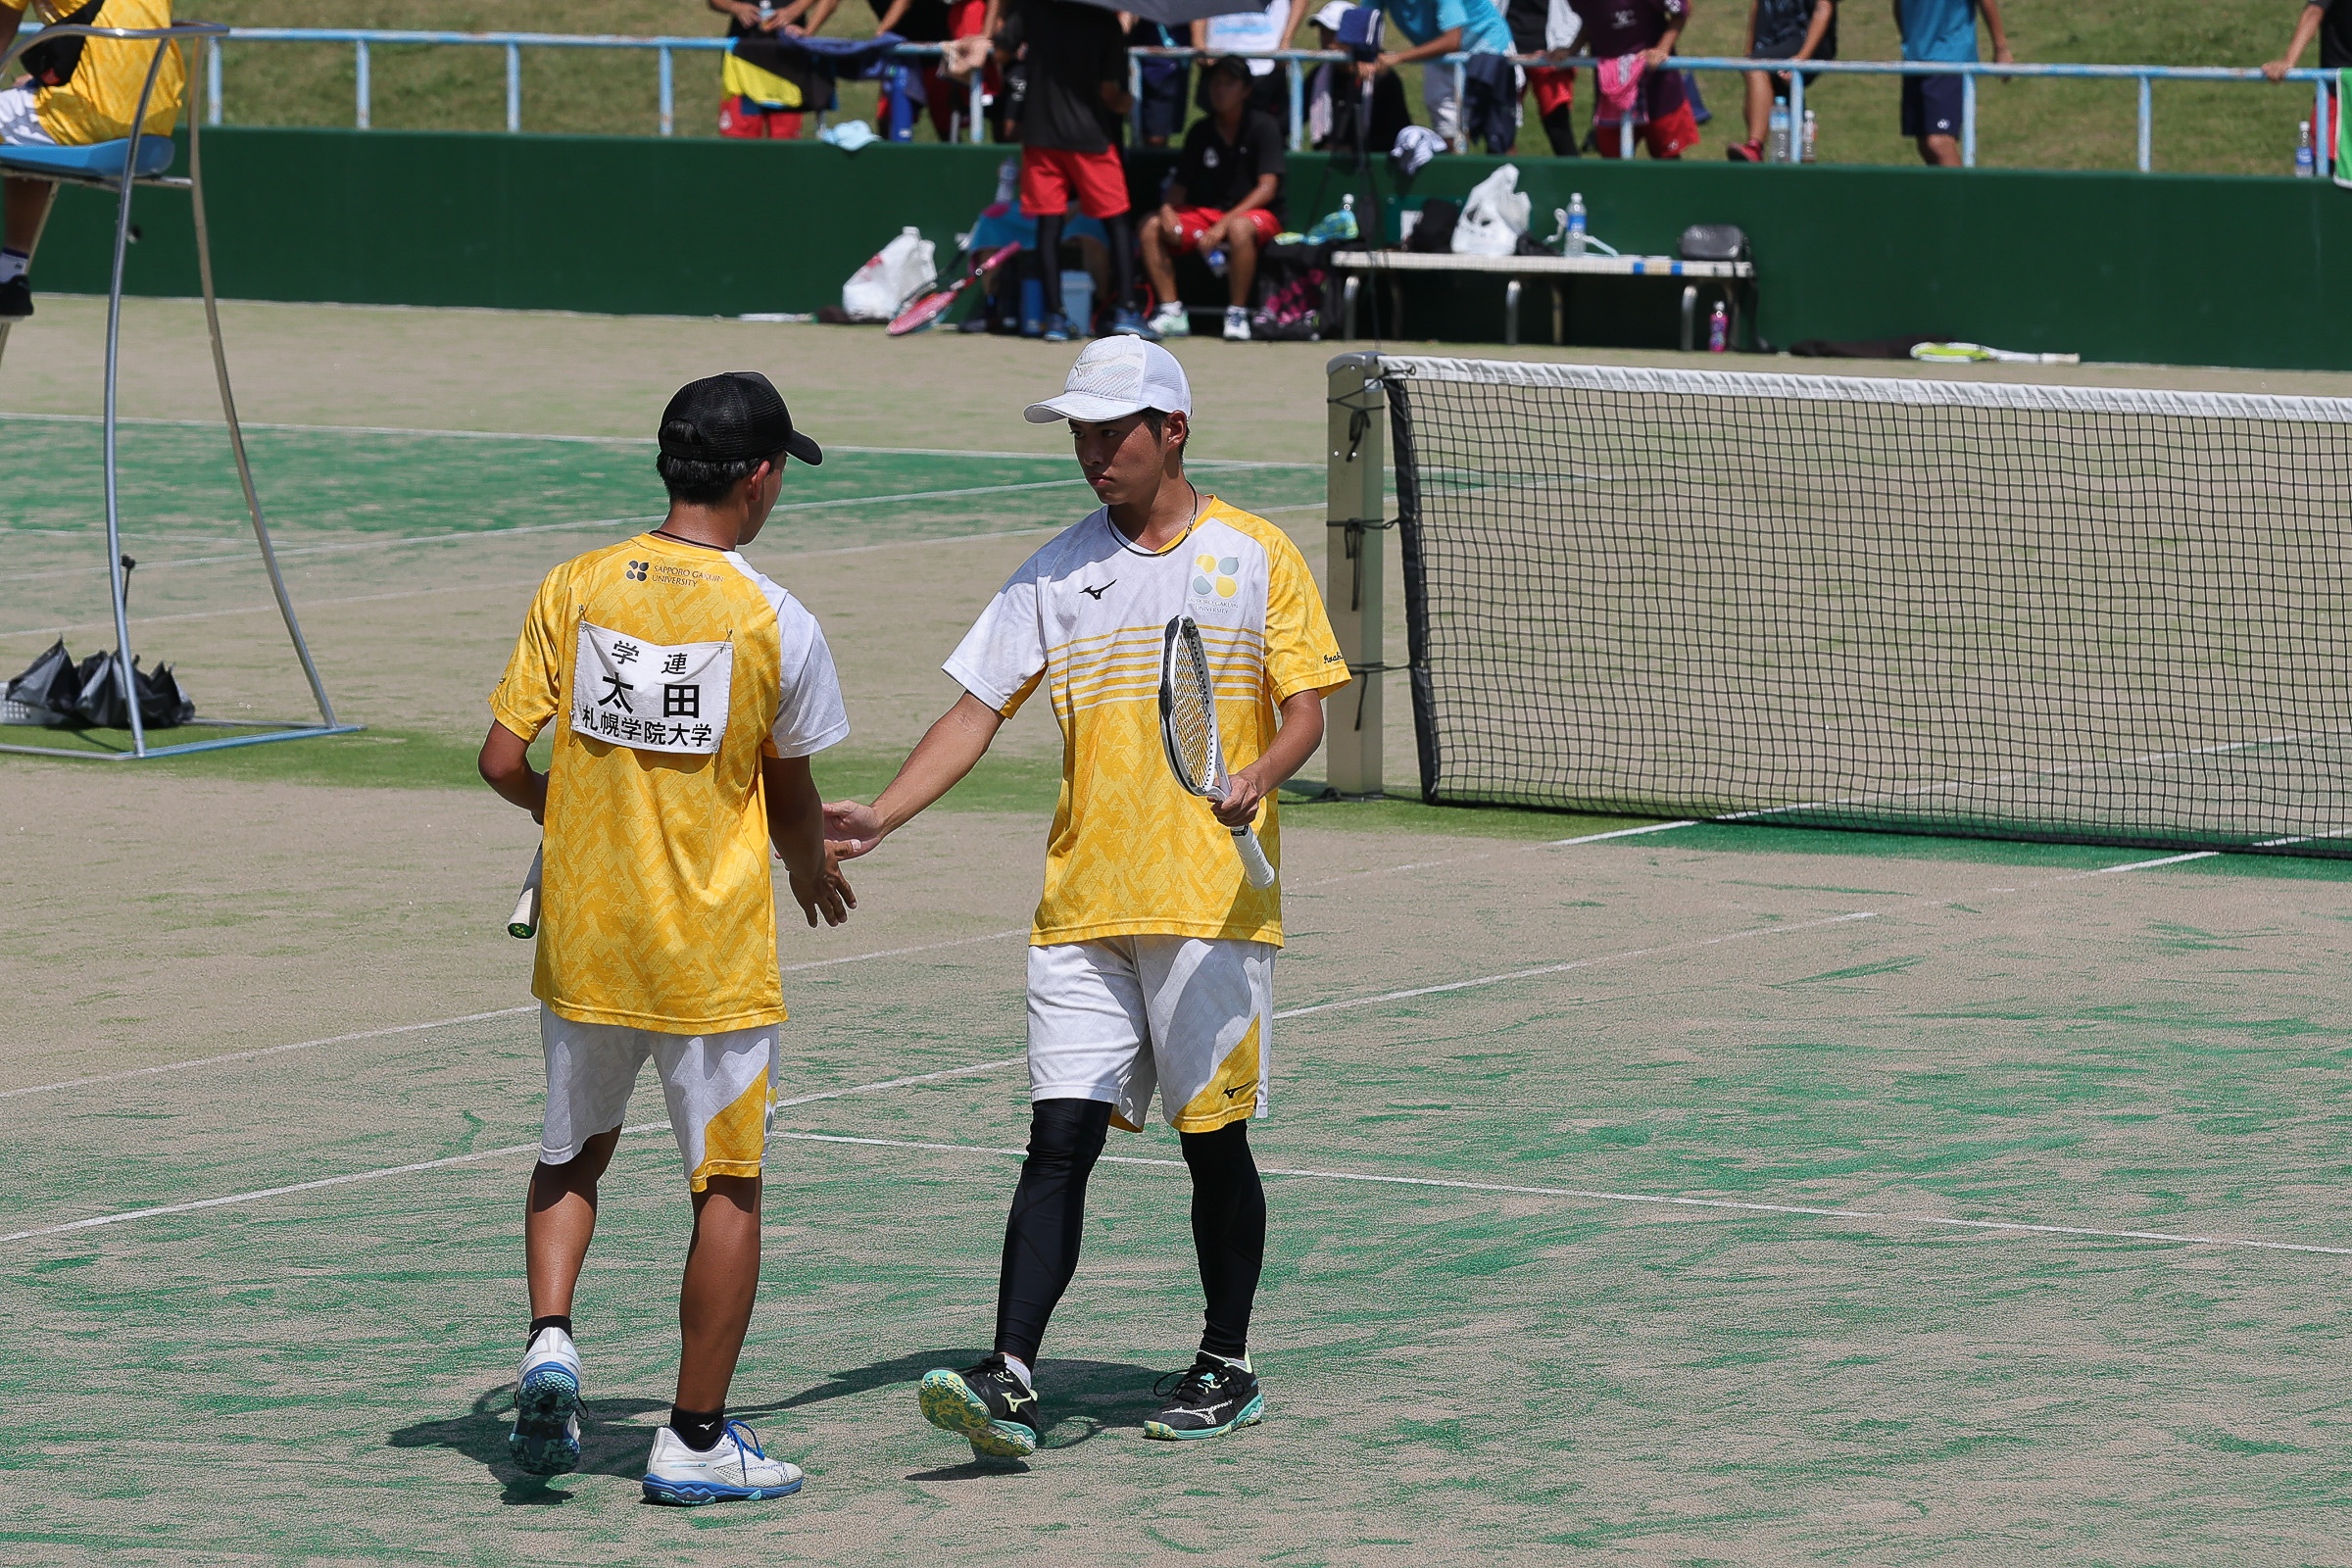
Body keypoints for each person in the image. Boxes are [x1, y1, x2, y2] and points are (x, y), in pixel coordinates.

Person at [821, 337, 1348, 1461]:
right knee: (1056, 1139)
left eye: (1114, 433)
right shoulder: (1054, 573)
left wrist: (1262, 771)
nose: (1094, 453)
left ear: (1174, 431)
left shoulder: (1256, 553)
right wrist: (884, 813)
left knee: (1213, 1144)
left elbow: (1306, 703)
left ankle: (1226, 1361)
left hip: (1210, 907)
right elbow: (976, 709)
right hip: (1083, 905)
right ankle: (1010, 1372)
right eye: (1081, 434)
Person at [478, 371, 856, 1505]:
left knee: (571, 1153)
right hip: (709, 957)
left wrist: (571, 812)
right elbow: (790, 791)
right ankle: (693, 1439)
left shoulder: (576, 586)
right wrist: (811, 863)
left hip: (586, 938)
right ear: (759, 477)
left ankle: (551, 1340)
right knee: (727, 1184)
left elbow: (501, 760)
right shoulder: (776, 619)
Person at [0, 0, 184, 320]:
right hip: (152, 126)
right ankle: (8, 278)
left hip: (91, 117)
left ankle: (8, 276)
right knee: (24, 126)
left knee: (27, 121)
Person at [994, 0, 1144, 339]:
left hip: (1041, 138)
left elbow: (1001, 52)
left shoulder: (1032, 10)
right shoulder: (1106, 23)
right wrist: (1127, 103)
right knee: (1118, 222)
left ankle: (1055, 318)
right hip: (1091, 139)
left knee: (1048, 226)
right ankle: (1127, 309)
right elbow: (1109, 93)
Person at [1142, 57, 1286, 343]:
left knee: (1239, 228)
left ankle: (1237, 313)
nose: (1220, 90)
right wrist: (1167, 209)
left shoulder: (1264, 126)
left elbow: (1267, 188)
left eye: (1229, 83)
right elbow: (1180, 185)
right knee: (1150, 226)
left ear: (1246, 90)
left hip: (1258, 216)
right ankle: (1172, 311)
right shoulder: (1200, 131)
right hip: (1207, 215)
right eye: (1215, 83)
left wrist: (1224, 224)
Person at [1362, 0, 1514, 146]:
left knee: (1499, 137)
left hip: (1490, 51)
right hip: (1440, 56)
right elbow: (1363, 24)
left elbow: (1452, 40)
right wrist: (1361, 56)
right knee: (1447, 137)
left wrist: (1398, 57)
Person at [1571, 0, 1698, 159]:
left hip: (1657, 88)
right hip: (1612, 93)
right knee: (1613, 164)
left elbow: (1683, 9)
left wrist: (1662, 49)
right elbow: (1591, 20)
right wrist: (1572, 49)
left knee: (1667, 161)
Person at [1894, 0, 2010, 167]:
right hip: (1915, 59)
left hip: (1950, 57)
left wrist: (2001, 48)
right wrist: (1910, 43)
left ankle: (1963, 186)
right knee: (1925, 145)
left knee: (1938, 142)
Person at [1726, 0, 1833, 161]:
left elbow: (1823, 8)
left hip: (1802, 39)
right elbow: (1757, 5)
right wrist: (1749, 50)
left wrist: (1802, 57)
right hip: (1770, 39)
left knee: (1757, 68)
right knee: (1780, 93)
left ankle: (1755, 146)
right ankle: (1801, 152)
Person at [710, 0, 823, 138]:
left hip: (788, 68)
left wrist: (795, 12)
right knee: (738, 143)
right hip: (741, 66)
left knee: (785, 141)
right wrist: (736, 8)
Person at [1192, 0, 1314, 122]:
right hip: (1219, 60)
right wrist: (1198, 42)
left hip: (1267, 60)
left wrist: (1286, 41)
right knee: (1218, 128)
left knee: (1267, 127)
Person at [2264, 1, 2350, 161]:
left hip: (2339, 98)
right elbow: (2314, 11)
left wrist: (2288, 60)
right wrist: (2288, 60)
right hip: (2339, 95)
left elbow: (2314, 11)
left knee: (2328, 169)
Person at [1504, 0, 1583, 156]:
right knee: (1501, 131)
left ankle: (1573, 172)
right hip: (1508, 49)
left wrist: (1568, 47)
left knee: (1558, 126)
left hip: (1552, 54)